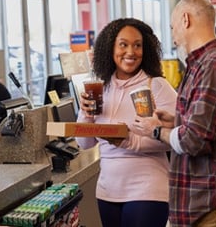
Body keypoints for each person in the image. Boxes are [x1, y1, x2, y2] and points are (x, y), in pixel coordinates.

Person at [132, 0, 216, 226]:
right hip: (201, 204)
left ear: (185, 20)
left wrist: (156, 130)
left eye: (172, 27)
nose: (173, 36)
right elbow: (205, 125)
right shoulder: (203, 64)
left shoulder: (215, 66)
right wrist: (175, 121)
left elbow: (194, 140)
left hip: (213, 206)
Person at [75, 18, 177, 227]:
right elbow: (84, 144)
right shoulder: (101, 88)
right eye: (123, 44)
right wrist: (86, 114)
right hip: (107, 191)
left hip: (148, 189)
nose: (131, 52)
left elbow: (176, 138)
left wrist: (128, 141)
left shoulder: (156, 85)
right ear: (110, 48)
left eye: (137, 45)